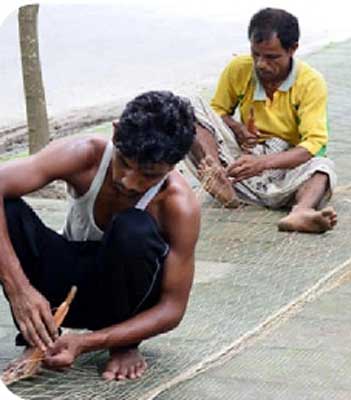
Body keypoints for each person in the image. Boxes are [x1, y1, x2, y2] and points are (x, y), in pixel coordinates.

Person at [0, 91, 201, 381]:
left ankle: (123, 344)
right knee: (8, 209)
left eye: (148, 175)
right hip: (61, 285)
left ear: (172, 167)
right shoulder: (84, 154)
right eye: (125, 163)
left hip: (121, 304)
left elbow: (173, 308)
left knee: (134, 229)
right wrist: (20, 289)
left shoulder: (178, 205)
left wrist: (89, 343)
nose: (129, 182)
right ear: (116, 132)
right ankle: (39, 336)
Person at [186, 7, 337, 234]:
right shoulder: (239, 68)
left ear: (292, 49)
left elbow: (313, 145)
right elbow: (215, 113)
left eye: (271, 57)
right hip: (242, 159)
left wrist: (263, 163)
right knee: (188, 107)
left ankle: (301, 211)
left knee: (323, 167)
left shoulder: (311, 82)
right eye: (256, 54)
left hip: (285, 164)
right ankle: (217, 178)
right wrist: (235, 127)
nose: (261, 64)